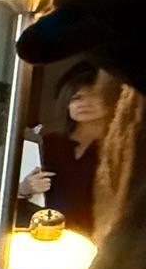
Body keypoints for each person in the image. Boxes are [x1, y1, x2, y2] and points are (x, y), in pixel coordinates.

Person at [20, 65, 117, 233]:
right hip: (46, 235)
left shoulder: (118, 148)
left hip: (99, 236)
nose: (85, 103)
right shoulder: (48, 144)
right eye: (76, 97)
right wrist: (25, 188)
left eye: (94, 95)